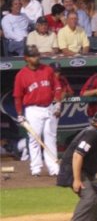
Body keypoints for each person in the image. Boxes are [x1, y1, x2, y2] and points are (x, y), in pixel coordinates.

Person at [13, 45, 61, 176]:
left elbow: (57, 87)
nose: (37, 57)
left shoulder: (47, 70)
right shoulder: (21, 75)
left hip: (49, 107)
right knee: (34, 139)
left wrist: (57, 103)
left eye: (37, 54)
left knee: (50, 137)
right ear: (26, 58)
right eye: (33, 56)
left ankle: (54, 168)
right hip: (33, 110)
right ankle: (36, 168)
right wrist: (20, 114)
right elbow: (17, 97)